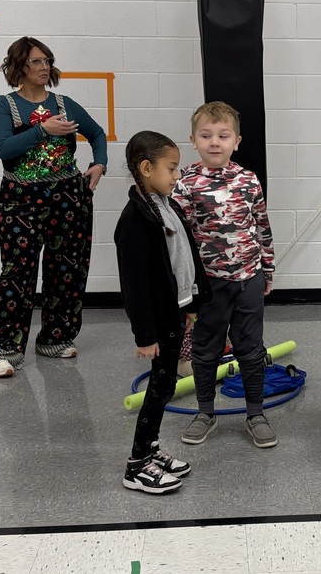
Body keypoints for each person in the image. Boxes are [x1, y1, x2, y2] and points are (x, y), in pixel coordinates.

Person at [0, 37, 108, 378]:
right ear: (19, 66)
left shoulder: (65, 104)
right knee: (17, 273)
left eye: (47, 60)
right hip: (20, 200)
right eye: (35, 61)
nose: (43, 67)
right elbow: (3, 148)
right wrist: (43, 130)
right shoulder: (4, 105)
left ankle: (55, 337)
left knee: (67, 271)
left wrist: (100, 164)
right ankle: (2, 349)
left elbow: (97, 134)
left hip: (68, 199)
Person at [172, 101, 277, 448]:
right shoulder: (185, 183)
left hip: (249, 277)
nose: (214, 142)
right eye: (206, 135)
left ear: (237, 141)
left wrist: (268, 268)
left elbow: (261, 225)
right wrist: (182, 284)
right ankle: (206, 412)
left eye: (222, 135)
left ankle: (256, 413)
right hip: (209, 284)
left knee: (250, 349)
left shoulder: (248, 180)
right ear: (193, 140)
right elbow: (177, 236)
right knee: (205, 349)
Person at [115, 131, 212, 494]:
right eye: (171, 168)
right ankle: (137, 463)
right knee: (160, 387)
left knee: (166, 383)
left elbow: (186, 257)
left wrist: (195, 303)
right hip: (158, 319)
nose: (176, 176)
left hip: (177, 309)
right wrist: (145, 335)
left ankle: (152, 449)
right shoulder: (136, 220)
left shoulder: (165, 205)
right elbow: (135, 285)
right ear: (146, 168)